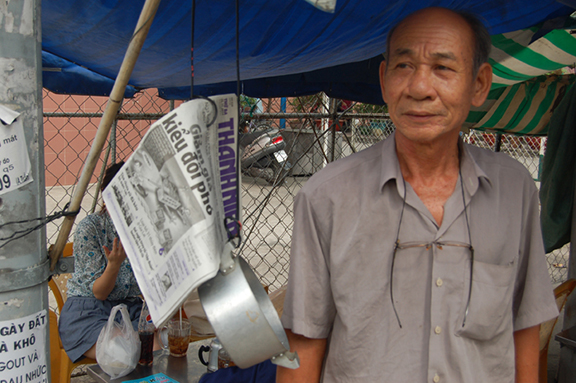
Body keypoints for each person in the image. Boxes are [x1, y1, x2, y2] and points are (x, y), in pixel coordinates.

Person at [277, 7, 559, 383]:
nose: (419, 88)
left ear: (479, 84)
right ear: (383, 79)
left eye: (442, 68)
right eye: (404, 66)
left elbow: (525, 327)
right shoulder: (326, 196)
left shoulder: (514, 189)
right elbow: (304, 341)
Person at [59, 162, 143, 363]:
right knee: (123, 353)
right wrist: (113, 265)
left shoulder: (145, 226)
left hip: (131, 308)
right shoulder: (91, 228)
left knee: (157, 351)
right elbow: (100, 292)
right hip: (90, 310)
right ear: (107, 196)